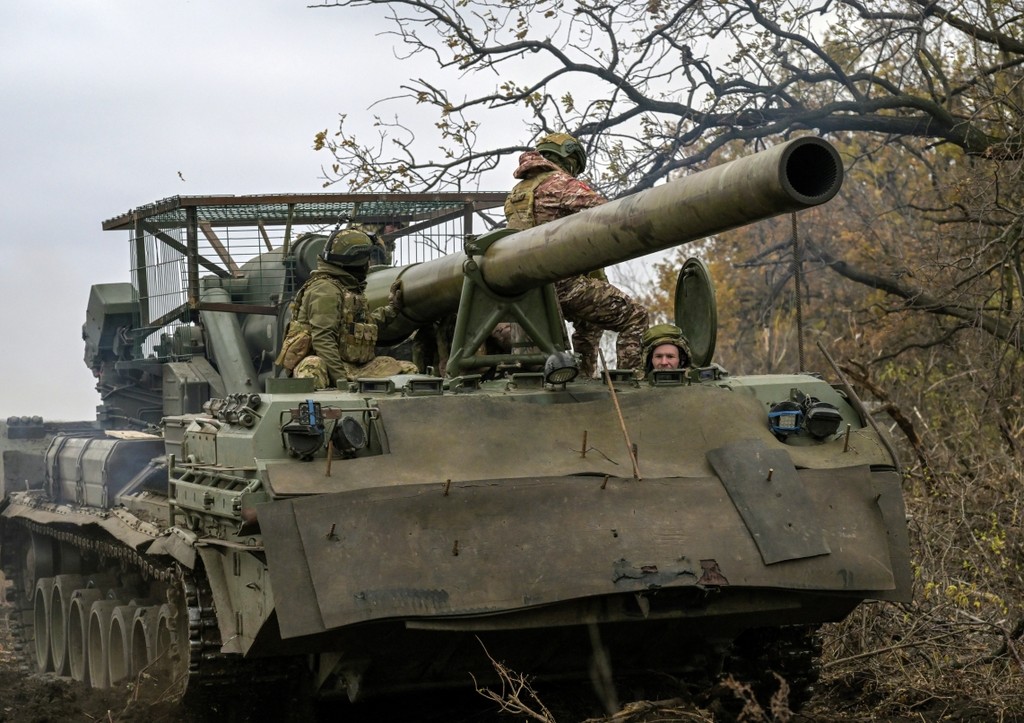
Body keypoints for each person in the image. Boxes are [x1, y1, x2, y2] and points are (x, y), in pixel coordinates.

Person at [504, 132, 648, 378]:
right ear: (569, 158)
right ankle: (629, 385)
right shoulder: (561, 184)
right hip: (561, 285)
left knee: (590, 323)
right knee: (635, 316)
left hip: (527, 293)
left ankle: (580, 377)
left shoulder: (518, 192)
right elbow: (607, 214)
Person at [275, 228, 417, 387]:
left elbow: (365, 327)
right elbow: (323, 339)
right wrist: (342, 382)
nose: (369, 264)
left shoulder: (349, 289)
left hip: (353, 366)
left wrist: (393, 308)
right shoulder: (325, 290)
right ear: (357, 261)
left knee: (407, 370)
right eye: (367, 259)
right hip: (326, 364)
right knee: (313, 367)